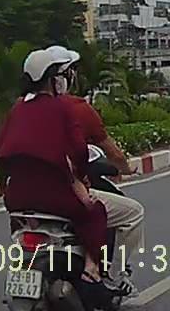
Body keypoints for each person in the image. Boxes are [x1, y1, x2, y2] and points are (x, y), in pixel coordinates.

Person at [0, 50, 108, 287]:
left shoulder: (17, 109)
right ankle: (92, 268)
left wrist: (4, 187)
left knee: (20, 222)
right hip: (56, 197)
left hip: (17, 199)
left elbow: (0, 154)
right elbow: (79, 150)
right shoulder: (63, 108)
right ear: (55, 80)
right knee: (95, 213)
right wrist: (82, 180)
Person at [44, 46, 144, 292]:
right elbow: (112, 153)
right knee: (131, 212)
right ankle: (112, 275)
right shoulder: (76, 108)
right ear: (64, 77)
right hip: (65, 191)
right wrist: (127, 168)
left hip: (26, 194)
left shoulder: (21, 108)